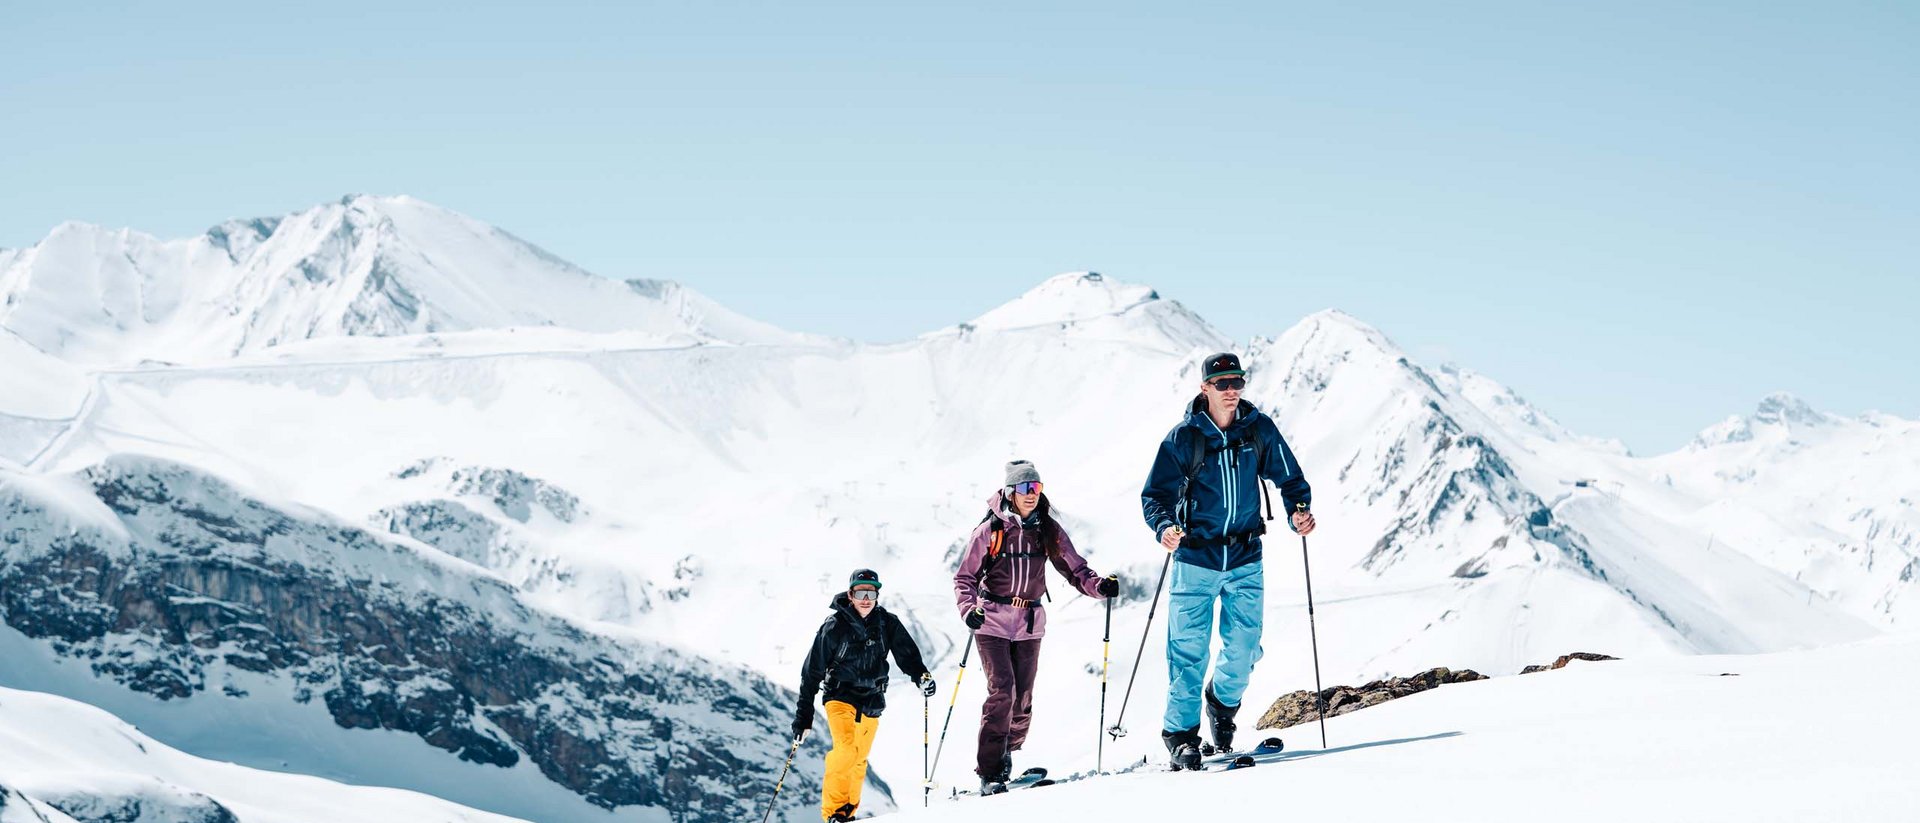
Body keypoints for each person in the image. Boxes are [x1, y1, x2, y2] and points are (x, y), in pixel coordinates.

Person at [1140, 352, 1315, 769]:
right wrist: (1164, 527)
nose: (1232, 390)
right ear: (1205, 388)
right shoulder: (1183, 438)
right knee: (1188, 652)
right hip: (1195, 558)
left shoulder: (1259, 429)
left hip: (1245, 556)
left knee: (1244, 646)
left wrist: (1299, 511)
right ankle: (1181, 736)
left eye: (1238, 381)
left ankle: (1221, 704)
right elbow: (1155, 496)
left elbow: (1290, 478)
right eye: (1223, 384)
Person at [954, 460, 1120, 794]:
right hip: (992, 621)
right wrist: (969, 609)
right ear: (1010, 492)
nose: (1031, 494)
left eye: (1036, 488)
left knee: (1022, 697)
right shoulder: (990, 530)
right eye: (1025, 488)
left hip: (1029, 623)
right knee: (1002, 689)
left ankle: (1008, 753)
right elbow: (965, 577)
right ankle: (990, 770)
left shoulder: (1047, 530)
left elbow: (1075, 569)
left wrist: (1099, 587)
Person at [794, 569, 936, 822]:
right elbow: (812, 671)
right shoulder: (834, 626)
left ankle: (847, 813)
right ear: (850, 594)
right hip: (840, 696)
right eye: (861, 592)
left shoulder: (887, 622)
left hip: (872, 699)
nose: (866, 598)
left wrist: (921, 676)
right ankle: (833, 813)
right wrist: (804, 716)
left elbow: (907, 655)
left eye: (871, 592)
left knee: (859, 759)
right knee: (846, 750)